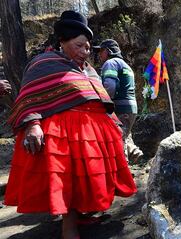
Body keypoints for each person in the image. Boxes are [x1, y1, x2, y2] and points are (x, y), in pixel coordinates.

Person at [4, 11, 137, 239]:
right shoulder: (43, 64)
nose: (85, 51)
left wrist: (114, 124)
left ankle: (81, 214)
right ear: (62, 42)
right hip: (63, 135)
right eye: (79, 45)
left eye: (87, 47)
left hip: (91, 135)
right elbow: (30, 97)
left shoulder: (88, 69)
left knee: (87, 180)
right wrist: (33, 124)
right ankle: (69, 227)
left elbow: (102, 99)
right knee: (68, 178)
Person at [93, 39, 143, 163]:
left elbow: (110, 86)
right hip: (130, 108)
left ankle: (123, 172)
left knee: (117, 142)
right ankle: (133, 151)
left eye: (101, 51)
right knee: (123, 135)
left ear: (108, 51)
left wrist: (102, 103)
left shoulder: (111, 63)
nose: (99, 55)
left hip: (120, 108)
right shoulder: (125, 65)